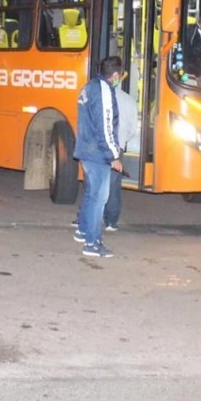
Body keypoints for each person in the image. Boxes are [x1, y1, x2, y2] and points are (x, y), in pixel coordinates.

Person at [72, 76, 139, 238]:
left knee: (91, 189)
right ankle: (105, 226)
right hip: (113, 149)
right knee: (109, 189)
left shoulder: (90, 93)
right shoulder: (128, 100)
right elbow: (129, 128)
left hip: (95, 149)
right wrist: (117, 150)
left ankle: (83, 225)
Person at [73, 56, 124, 258]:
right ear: (115, 75)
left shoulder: (90, 86)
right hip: (97, 153)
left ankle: (83, 230)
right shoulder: (104, 91)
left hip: (86, 149)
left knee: (91, 194)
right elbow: (105, 126)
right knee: (99, 198)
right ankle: (92, 243)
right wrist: (113, 155)